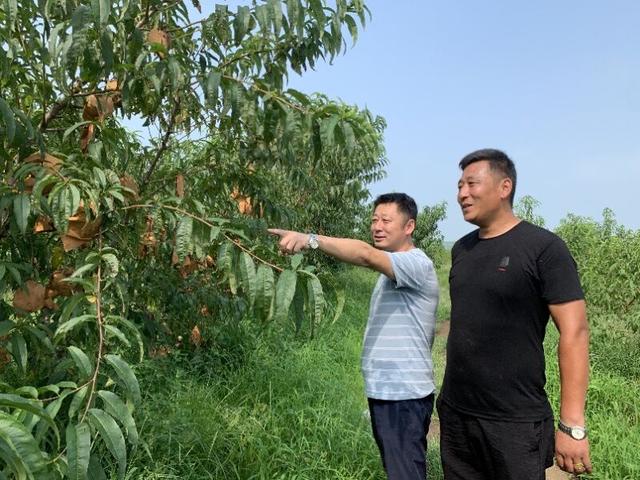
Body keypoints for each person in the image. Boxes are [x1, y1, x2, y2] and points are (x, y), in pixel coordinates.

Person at [437, 149, 591, 479]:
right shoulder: (462, 249)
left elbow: (575, 332)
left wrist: (572, 426)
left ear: (504, 187)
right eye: (459, 185)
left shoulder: (544, 249)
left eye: (472, 184)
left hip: (514, 423)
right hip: (457, 414)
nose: (462, 194)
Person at [269, 193, 439, 479]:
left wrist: (310, 239)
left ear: (409, 227)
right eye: (374, 220)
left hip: (402, 394)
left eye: (386, 220)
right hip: (389, 392)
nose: (377, 226)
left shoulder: (415, 264)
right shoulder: (393, 272)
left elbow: (364, 254)